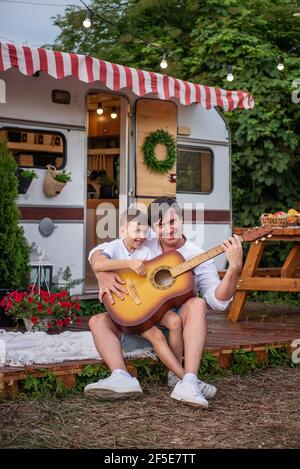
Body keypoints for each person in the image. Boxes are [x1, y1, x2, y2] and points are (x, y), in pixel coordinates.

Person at [88, 197, 243, 407]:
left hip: (173, 332)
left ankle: (188, 380)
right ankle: (121, 377)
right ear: (153, 226)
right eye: (160, 225)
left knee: (197, 304)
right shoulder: (144, 238)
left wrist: (234, 269)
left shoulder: (197, 255)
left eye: (172, 222)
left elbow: (218, 302)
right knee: (98, 321)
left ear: (182, 220)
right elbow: (100, 251)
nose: (168, 229)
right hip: (140, 324)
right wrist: (102, 275)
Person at [85, 209, 187, 402]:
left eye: (145, 231)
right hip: (127, 305)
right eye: (137, 230)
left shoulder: (148, 250)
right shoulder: (115, 247)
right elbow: (98, 263)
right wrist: (127, 265)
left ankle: (182, 377)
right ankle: (122, 377)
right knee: (99, 322)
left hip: (145, 305)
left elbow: (151, 279)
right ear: (123, 231)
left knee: (172, 321)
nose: (141, 236)